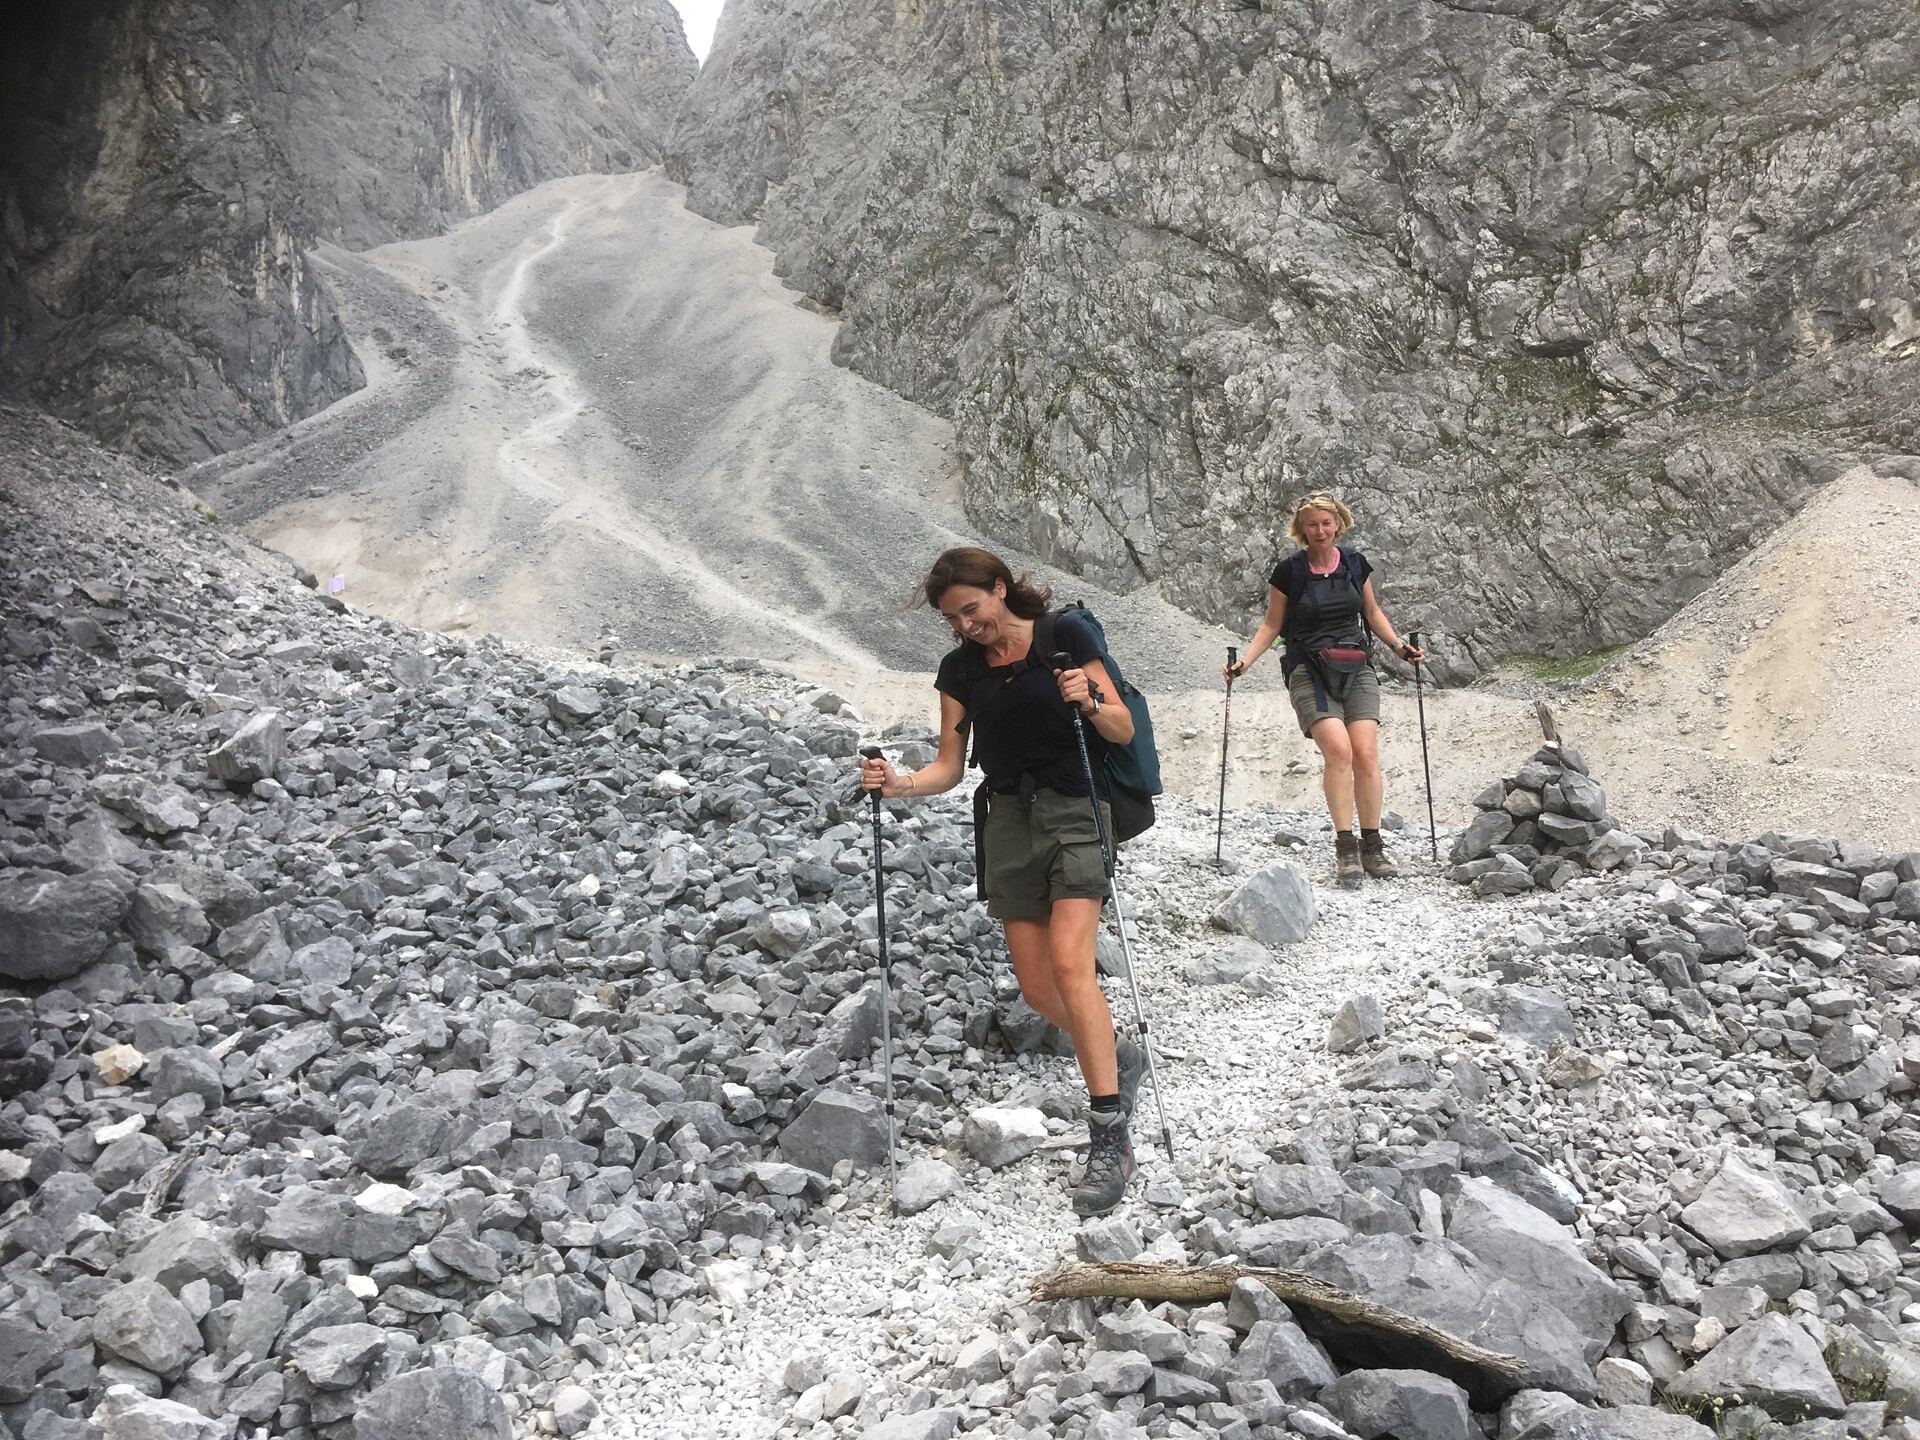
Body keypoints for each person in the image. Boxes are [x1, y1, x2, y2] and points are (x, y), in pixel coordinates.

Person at [861, 546, 1146, 1216]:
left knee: (1073, 968)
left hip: (1077, 813)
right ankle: (1119, 1053)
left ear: (998, 588)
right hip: (1008, 825)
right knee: (1037, 986)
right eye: (953, 619)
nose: (966, 627)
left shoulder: (1064, 637)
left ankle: (1109, 1135)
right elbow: (949, 766)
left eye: (972, 610)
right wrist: (900, 785)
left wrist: (1091, 697)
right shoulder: (959, 669)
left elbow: (1122, 726)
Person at [1226, 494, 1425, 889]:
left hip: (1356, 664)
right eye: (1312, 525)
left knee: (1366, 753)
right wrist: (1245, 663)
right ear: (1301, 530)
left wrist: (1399, 647)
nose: (1320, 531)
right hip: (1307, 668)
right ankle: (1345, 847)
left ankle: (1373, 845)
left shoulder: (1354, 563)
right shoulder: (1289, 572)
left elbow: (1372, 613)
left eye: (1326, 523)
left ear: (1339, 524)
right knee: (1339, 751)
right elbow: (1271, 625)